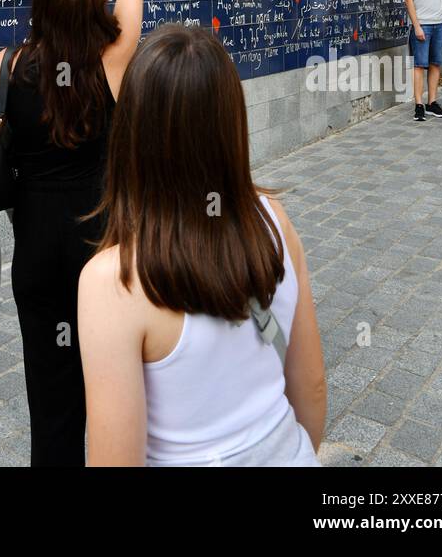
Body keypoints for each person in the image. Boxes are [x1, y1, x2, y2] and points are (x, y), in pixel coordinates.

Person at [78, 24, 326, 467]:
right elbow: (310, 387)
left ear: (131, 129)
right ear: (231, 120)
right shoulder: (273, 218)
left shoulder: (112, 280)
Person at [0, 0, 145, 466]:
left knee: (50, 389)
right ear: (96, 8)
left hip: (36, 249)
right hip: (101, 245)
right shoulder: (111, 58)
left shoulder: (9, 65)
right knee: (112, 377)